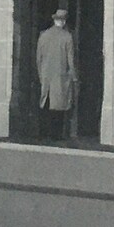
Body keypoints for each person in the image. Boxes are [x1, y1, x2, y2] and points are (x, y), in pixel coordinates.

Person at [36, 8, 76, 142]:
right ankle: (56, 135)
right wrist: (73, 76)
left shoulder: (43, 35)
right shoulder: (67, 37)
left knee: (45, 104)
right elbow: (71, 60)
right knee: (59, 107)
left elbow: (38, 58)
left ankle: (43, 133)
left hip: (46, 76)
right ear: (64, 21)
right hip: (60, 77)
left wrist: (41, 74)